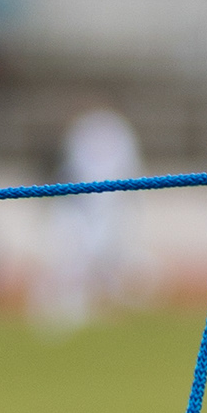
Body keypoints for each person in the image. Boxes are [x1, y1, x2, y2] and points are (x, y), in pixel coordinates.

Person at [32, 100, 148, 334]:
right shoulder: (83, 133)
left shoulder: (117, 133)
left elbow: (130, 168)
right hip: (76, 206)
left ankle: (96, 305)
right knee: (70, 258)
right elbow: (68, 169)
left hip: (107, 207)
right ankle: (60, 310)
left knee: (103, 256)